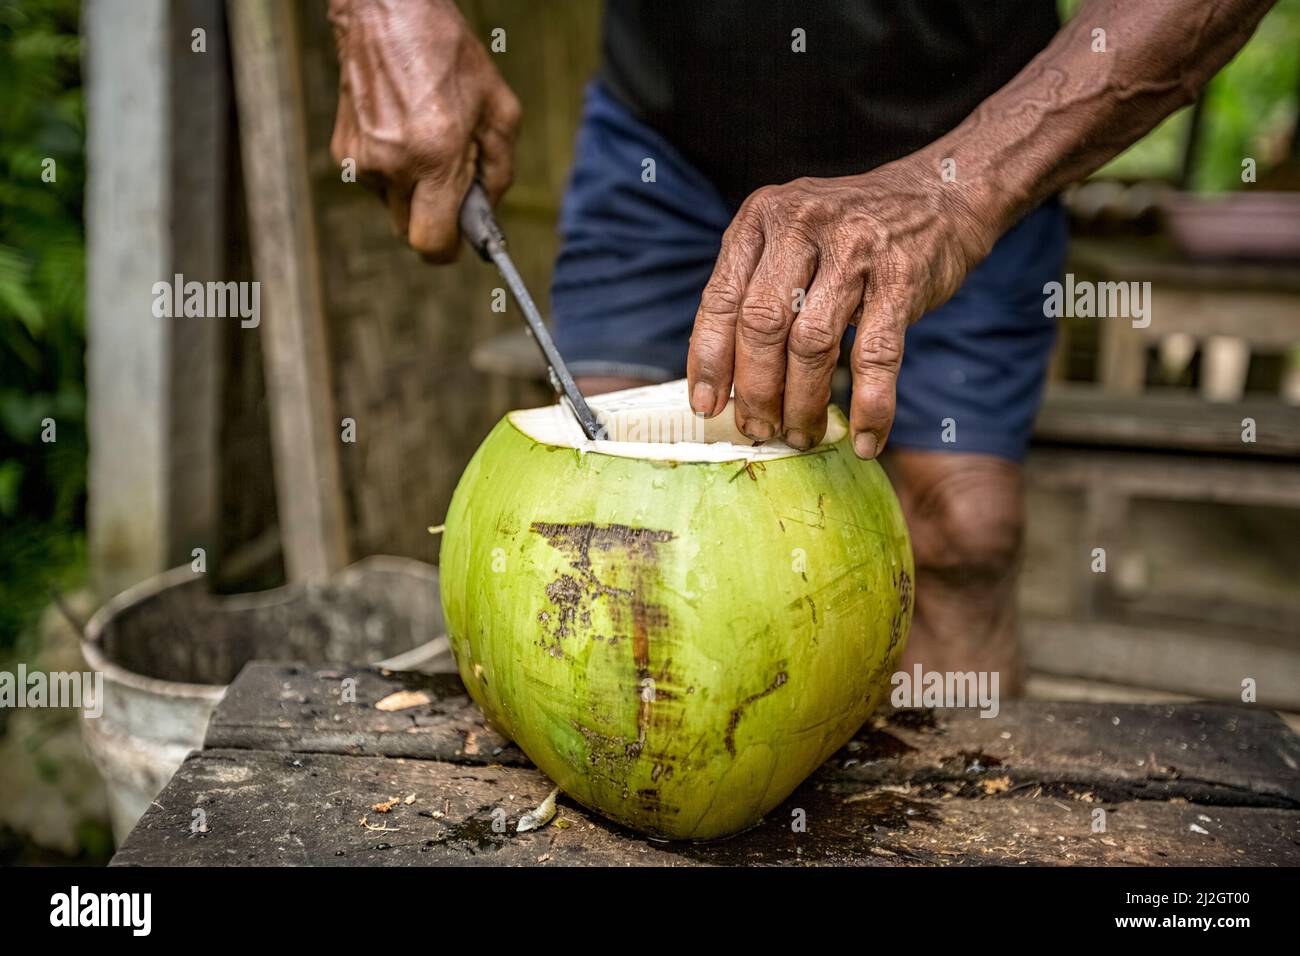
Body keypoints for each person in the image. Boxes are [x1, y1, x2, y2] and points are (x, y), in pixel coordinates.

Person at [328, 0, 1276, 692]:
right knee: (590, 550)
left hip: (974, 143)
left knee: (961, 532)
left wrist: (956, 194)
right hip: (673, 141)